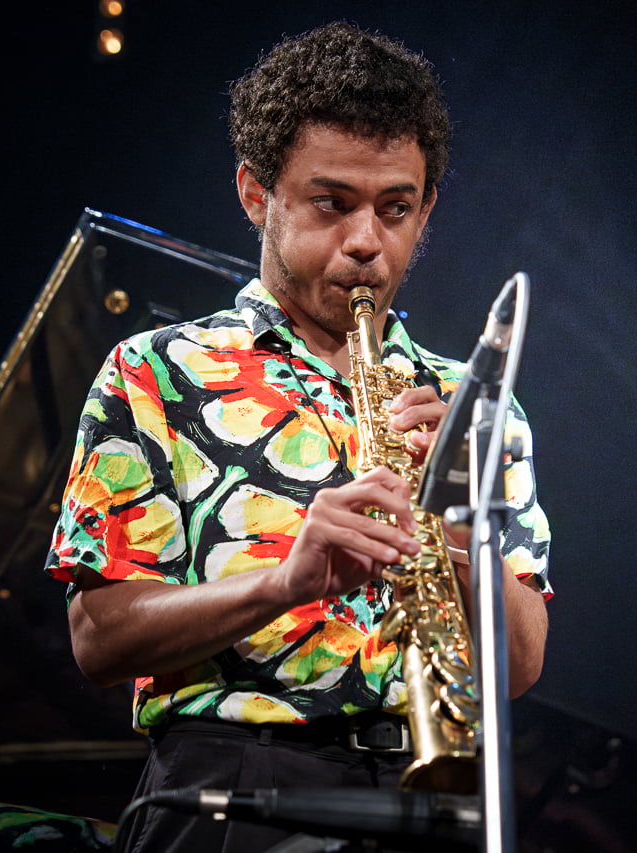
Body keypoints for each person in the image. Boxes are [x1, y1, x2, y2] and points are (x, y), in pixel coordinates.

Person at [43, 21, 552, 853]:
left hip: (430, 797)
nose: (366, 242)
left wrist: (458, 519)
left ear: (426, 208)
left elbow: (521, 666)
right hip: (232, 786)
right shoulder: (156, 370)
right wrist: (285, 583)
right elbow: (98, 638)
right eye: (332, 203)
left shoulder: (474, 403)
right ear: (256, 194)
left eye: (396, 209)